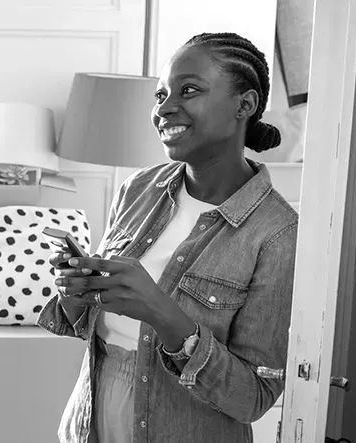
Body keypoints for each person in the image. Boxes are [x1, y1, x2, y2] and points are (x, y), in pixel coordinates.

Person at [37, 32, 300, 443]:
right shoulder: (137, 188)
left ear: (244, 105)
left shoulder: (278, 233)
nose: (164, 108)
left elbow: (254, 397)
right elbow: (95, 327)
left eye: (189, 90)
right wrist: (78, 290)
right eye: (160, 94)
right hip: (90, 421)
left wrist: (164, 315)